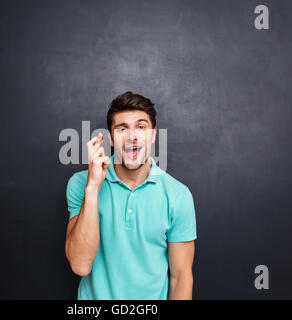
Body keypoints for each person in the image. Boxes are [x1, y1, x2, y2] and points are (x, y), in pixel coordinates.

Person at [65, 91, 197, 300]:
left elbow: (180, 277)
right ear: (110, 138)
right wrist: (93, 187)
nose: (132, 137)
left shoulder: (178, 196)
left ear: (153, 135)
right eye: (122, 129)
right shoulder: (81, 183)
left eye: (141, 127)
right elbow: (80, 265)